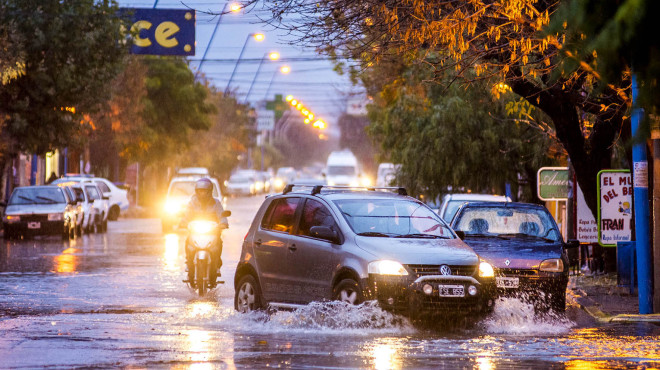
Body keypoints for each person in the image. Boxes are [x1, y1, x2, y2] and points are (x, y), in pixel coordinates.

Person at [180, 178, 229, 288]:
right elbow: (186, 215)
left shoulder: (216, 203)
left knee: (218, 244)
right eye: (200, 191)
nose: (202, 193)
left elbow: (221, 215)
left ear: (209, 191)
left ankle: (216, 265)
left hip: (212, 232)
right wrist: (183, 223)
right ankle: (189, 262)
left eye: (204, 191)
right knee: (188, 243)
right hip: (195, 232)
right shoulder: (192, 202)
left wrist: (223, 223)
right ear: (196, 191)